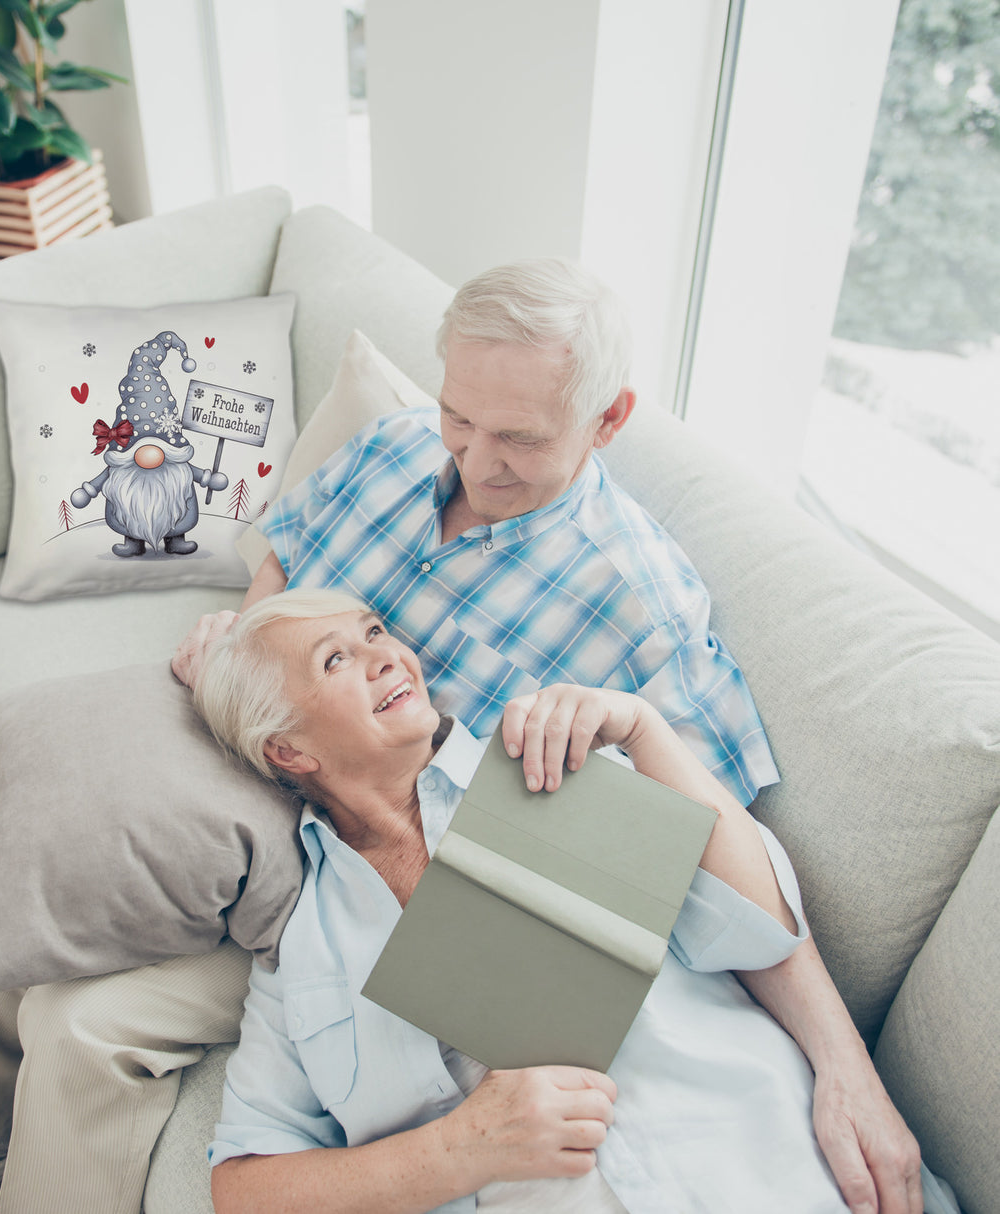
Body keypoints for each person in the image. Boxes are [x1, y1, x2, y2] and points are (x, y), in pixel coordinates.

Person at [174, 259, 922, 1212]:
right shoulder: (395, 450)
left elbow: (730, 884)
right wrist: (248, 657)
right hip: (278, 836)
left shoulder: (618, 656)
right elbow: (287, 554)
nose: (475, 463)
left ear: (608, 420)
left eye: (518, 438)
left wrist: (844, 1067)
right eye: (460, 418)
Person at [194, 589, 948, 1214]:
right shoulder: (302, 951)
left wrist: (644, 731)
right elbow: (244, 1188)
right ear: (288, 750)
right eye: (337, 659)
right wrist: (459, 1150)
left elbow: (759, 930)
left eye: (374, 632)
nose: (387, 654)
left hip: (771, 1167)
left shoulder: (549, 762)